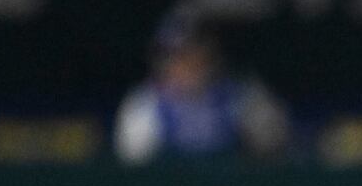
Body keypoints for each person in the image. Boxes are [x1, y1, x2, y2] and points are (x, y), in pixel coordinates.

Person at [111, 10, 289, 162]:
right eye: (180, 56)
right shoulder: (144, 105)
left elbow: (271, 154)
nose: (191, 64)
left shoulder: (239, 97)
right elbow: (135, 170)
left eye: (197, 54)